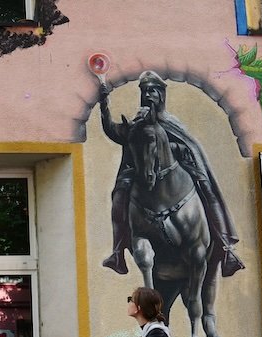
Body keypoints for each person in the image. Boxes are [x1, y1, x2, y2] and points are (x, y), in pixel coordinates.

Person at [99, 71, 242, 277]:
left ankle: (226, 248)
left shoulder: (170, 121)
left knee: (207, 189)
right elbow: (113, 131)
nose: (148, 95)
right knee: (119, 195)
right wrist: (104, 104)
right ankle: (118, 252)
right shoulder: (136, 122)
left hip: (177, 168)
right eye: (145, 91)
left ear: (161, 95)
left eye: (153, 91)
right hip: (138, 172)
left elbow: (189, 146)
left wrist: (172, 148)